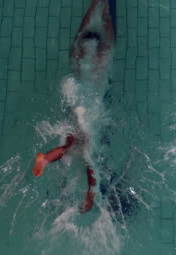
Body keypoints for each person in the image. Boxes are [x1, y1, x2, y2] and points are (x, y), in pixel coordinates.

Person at [32, 0, 115, 213]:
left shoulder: (76, 57)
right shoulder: (102, 60)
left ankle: (46, 158)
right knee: (87, 152)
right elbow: (108, 37)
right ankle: (90, 194)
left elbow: (83, 32)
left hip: (77, 103)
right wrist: (104, 13)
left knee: (71, 144)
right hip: (86, 109)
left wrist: (96, 6)